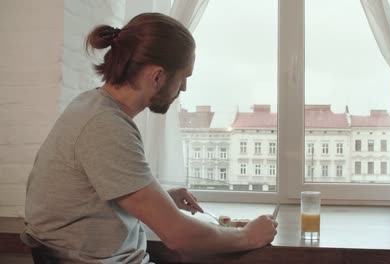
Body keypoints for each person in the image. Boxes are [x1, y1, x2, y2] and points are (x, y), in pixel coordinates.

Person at [21, 12, 278, 264]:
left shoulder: (90, 105)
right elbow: (179, 236)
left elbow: (89, 195)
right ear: (157, 76)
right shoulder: (105, 125)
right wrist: (247, 236)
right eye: (183, 77)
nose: (184, 88)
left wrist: (161, 198)